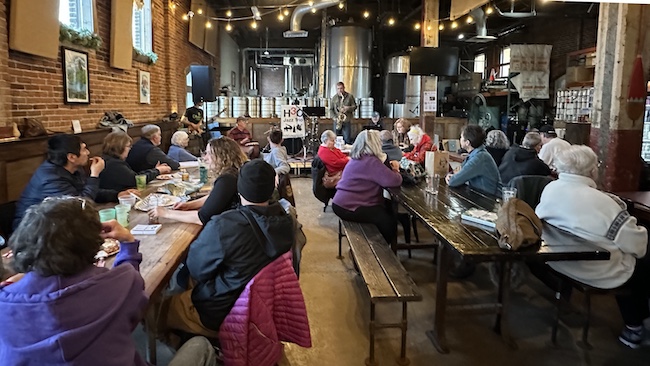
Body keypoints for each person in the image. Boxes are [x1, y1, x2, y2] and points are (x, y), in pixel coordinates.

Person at [0, 196, 217, 365]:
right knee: (200, 346)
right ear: (93, 244)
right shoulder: (118, 283)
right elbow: (133, 284)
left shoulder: (6, 298)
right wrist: (129, 243)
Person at [535, 145, 649, 349]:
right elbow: (637, 246)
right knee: (642, 262)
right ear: (592, 171)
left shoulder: (551, 188)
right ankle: (634, 328)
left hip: (558, 262)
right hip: (597, 270)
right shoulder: (603, 202)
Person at [165, 159, 294, 337]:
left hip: (221, 311)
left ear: (239, 189)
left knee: (161, 306)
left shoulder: (225, 225)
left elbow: (196, 269)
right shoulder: (286, 220)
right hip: (262, 304)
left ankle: (187, 347)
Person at [13, 134, 134, 230]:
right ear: (71, 157)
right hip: (33, 232)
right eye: (84, 149)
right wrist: (94, 175)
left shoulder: (74, 168)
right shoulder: (51, 179)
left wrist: (117, 194)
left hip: (59, 224)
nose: (88, 153)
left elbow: (85, 192)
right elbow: (80, 207)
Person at [150, 137, 247, 225]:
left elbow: (202, 218)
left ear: (222, 156)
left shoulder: (227, 179)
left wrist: (166, 213)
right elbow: (215, 197)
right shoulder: (234, 171)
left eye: (209, 153)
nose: (205, 158)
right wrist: (189, 205)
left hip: (230, 228)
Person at [332, 130, 402, 244]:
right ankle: (381, 252)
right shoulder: (371, 161)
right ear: (376, 144)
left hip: (342, 203)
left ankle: (378, 245)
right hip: (350, 206)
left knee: (388, 207)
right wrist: (396, 169)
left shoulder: (357, 158)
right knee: (388, 223)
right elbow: (394, 181)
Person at [99, 131, 172, 192]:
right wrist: (158, 170)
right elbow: (137, 179)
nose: (130, 149)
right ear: (120, 147)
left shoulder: (110, 160)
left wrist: (155, 170)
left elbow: (134, 175)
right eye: (128, 146)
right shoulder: (114, 164)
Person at [446, 125, 502, 196]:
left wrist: (451, 177)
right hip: (480, 195)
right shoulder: (476, 154)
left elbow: (453, 181)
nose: (460, 139)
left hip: (490, 200)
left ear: (467, 143)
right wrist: (452, 174)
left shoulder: (479, 158)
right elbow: (458, 171)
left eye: (461, 137)